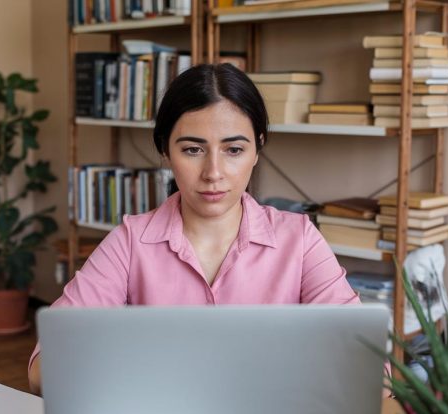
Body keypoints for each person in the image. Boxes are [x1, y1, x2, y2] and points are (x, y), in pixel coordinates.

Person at [28, 63, 363, 394]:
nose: (213, 172)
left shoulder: (299, 240)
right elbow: (44, 369)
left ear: (257, 148)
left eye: (234, 150)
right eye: (192, 149)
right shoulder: (130, 242)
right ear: (165, 150)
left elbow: (363, 362)